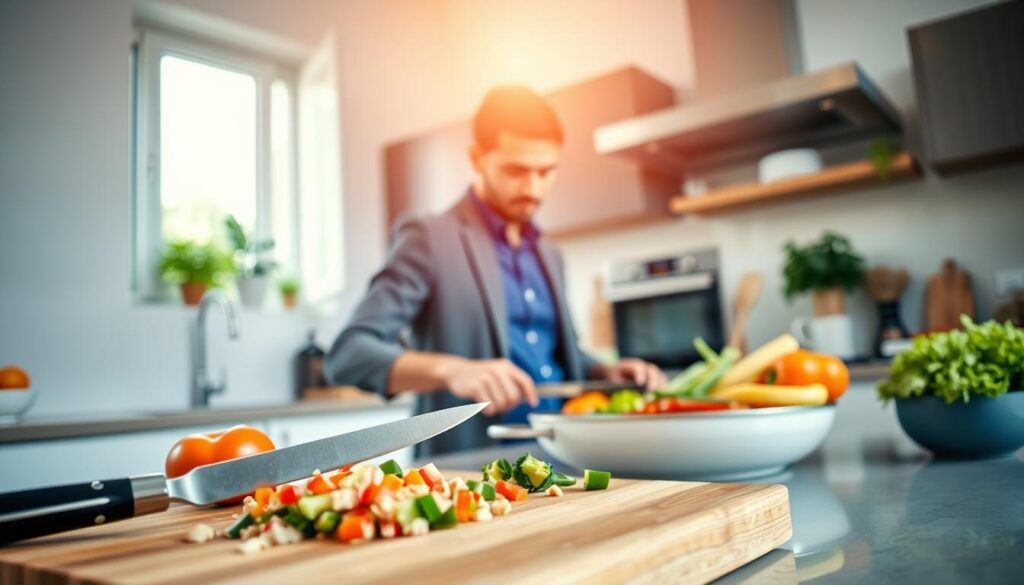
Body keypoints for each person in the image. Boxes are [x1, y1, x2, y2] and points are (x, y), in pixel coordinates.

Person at [327, 85, 667, 454]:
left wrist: (602, 371)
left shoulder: (550, 253)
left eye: (545, 171)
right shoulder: (429, 237)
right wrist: (454, 370)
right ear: (477, 159)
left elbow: (552, 355)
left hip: (564, 457)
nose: (533, 188)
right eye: (516, 171)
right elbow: (348, 355)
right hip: (471, 472)